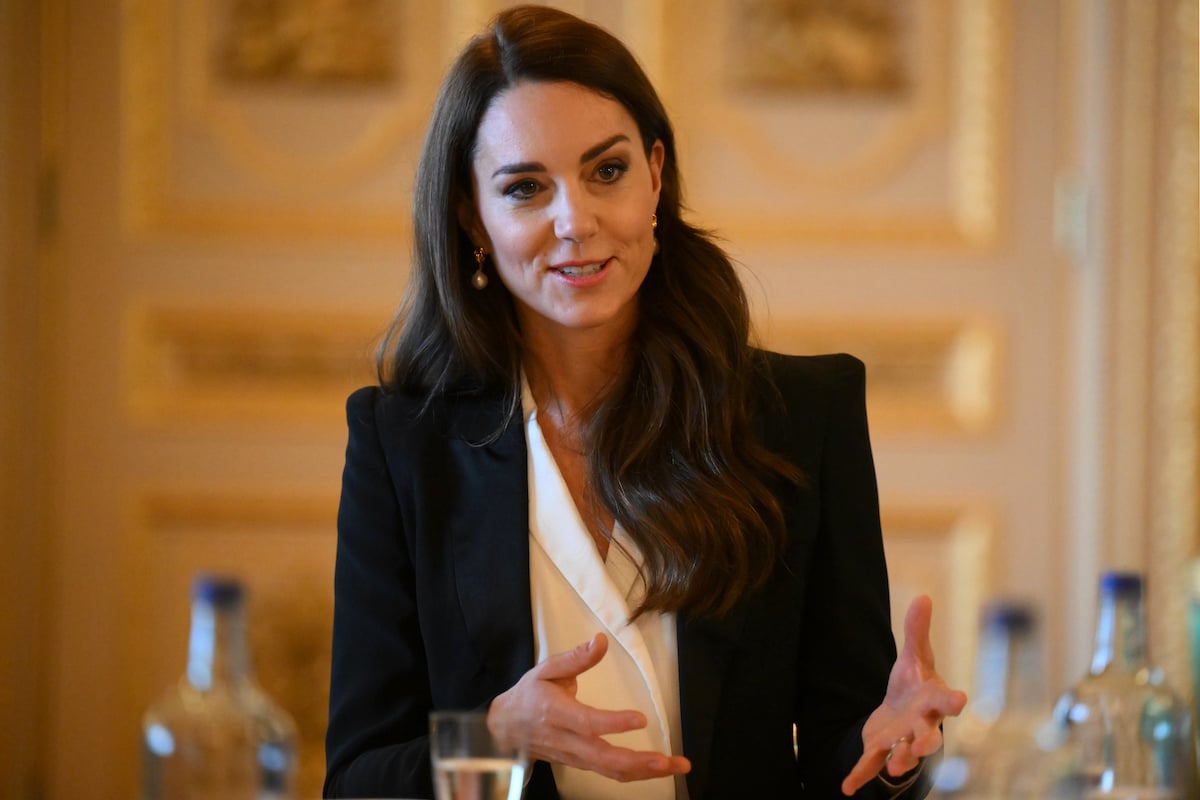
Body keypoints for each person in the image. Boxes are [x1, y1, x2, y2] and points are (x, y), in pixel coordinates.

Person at [323, 5, 967, 799]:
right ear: (471, 218)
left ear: (656, 176)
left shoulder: (805, 418)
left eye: (608, 171)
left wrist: (891, 757)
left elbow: (849, 755)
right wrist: (495, 741)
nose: (576, 221)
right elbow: (356, 781)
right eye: (526, 187)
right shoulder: (401, 445)